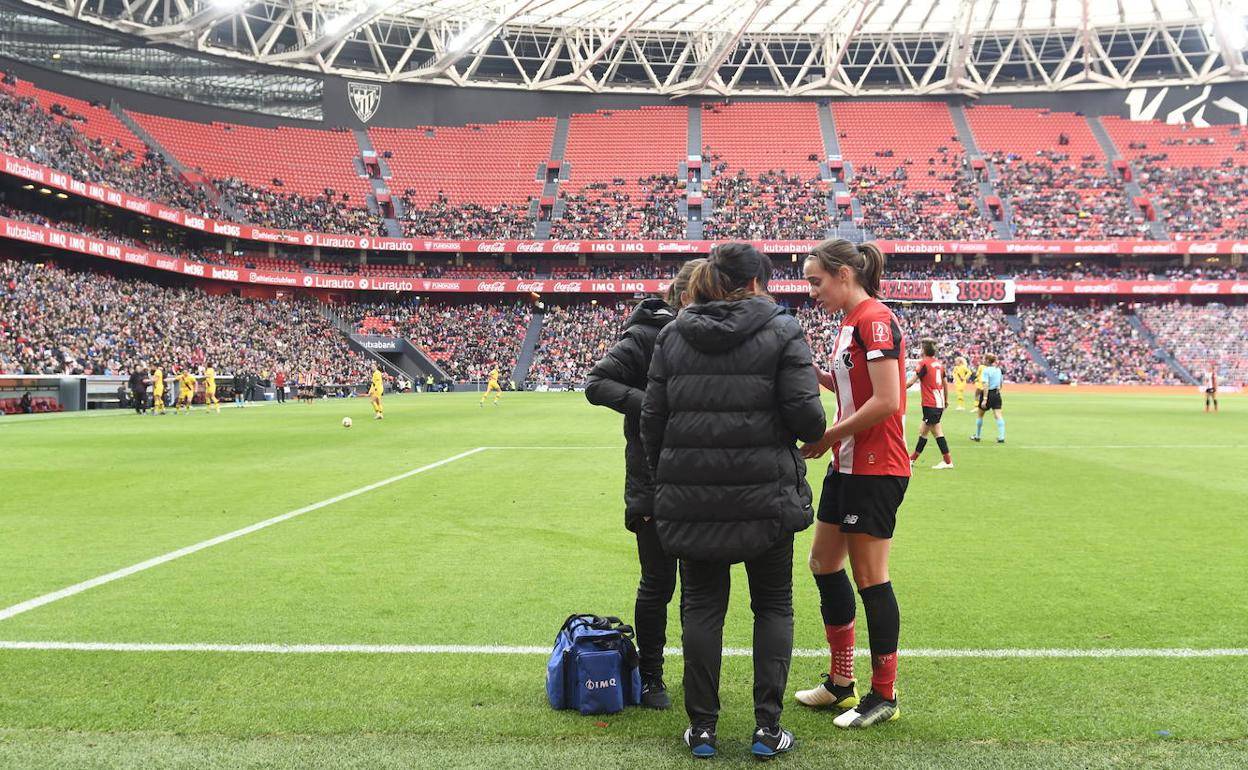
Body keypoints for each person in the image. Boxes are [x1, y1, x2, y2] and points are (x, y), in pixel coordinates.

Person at [641, 244, 825, 759]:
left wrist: (669, 478)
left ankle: (702, 729)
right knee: (772, 605)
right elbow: (809, 421)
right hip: (765, 493)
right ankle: (767, 729)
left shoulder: (674, 331)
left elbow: (652, 419)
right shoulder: (783, 329)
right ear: (757, 281)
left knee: (701, 606)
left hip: (691, 494)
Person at [795, 238, 910, 729]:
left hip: (876, 464)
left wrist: (826, 436)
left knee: (870, 578)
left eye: (816, 282)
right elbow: (851, 388)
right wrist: (807, 371)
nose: (812, 292)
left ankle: (883, 694)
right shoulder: (848, 323)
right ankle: (842, 683)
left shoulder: (873, 319)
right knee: (823, 562)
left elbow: (887, 401)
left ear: (844, 274)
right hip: (846, 464)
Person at [584, 259, 704, 712]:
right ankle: (651, 678)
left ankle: (698, 676)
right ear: (687, 295)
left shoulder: (703, 335)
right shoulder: (646, 335)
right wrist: (652, 406)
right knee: (658, 583)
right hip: (653, 481)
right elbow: (596, 383)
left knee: (697, 586)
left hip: (696, 481)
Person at [906, 339, 953, 469]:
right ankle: (912, 459)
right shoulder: (939, 364)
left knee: (936, 432)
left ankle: (948, 461)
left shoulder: (924, 363)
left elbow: (911, 382)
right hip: (938, 402)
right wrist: (946, 400)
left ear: (924, 350)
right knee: (923, 431)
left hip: (930, 403)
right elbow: (945, 384)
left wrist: (898, 390)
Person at [971, 354, 1005, 443]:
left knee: (980, 415)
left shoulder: (985, 370)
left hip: (988, 393)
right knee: (998, 415)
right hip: (996, 394)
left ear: (987, 360)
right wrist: (998, 389)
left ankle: (977, 436)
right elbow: (1001, 383)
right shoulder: (998, 370)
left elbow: (985, 385)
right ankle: (1001, 437)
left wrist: (985, 398)